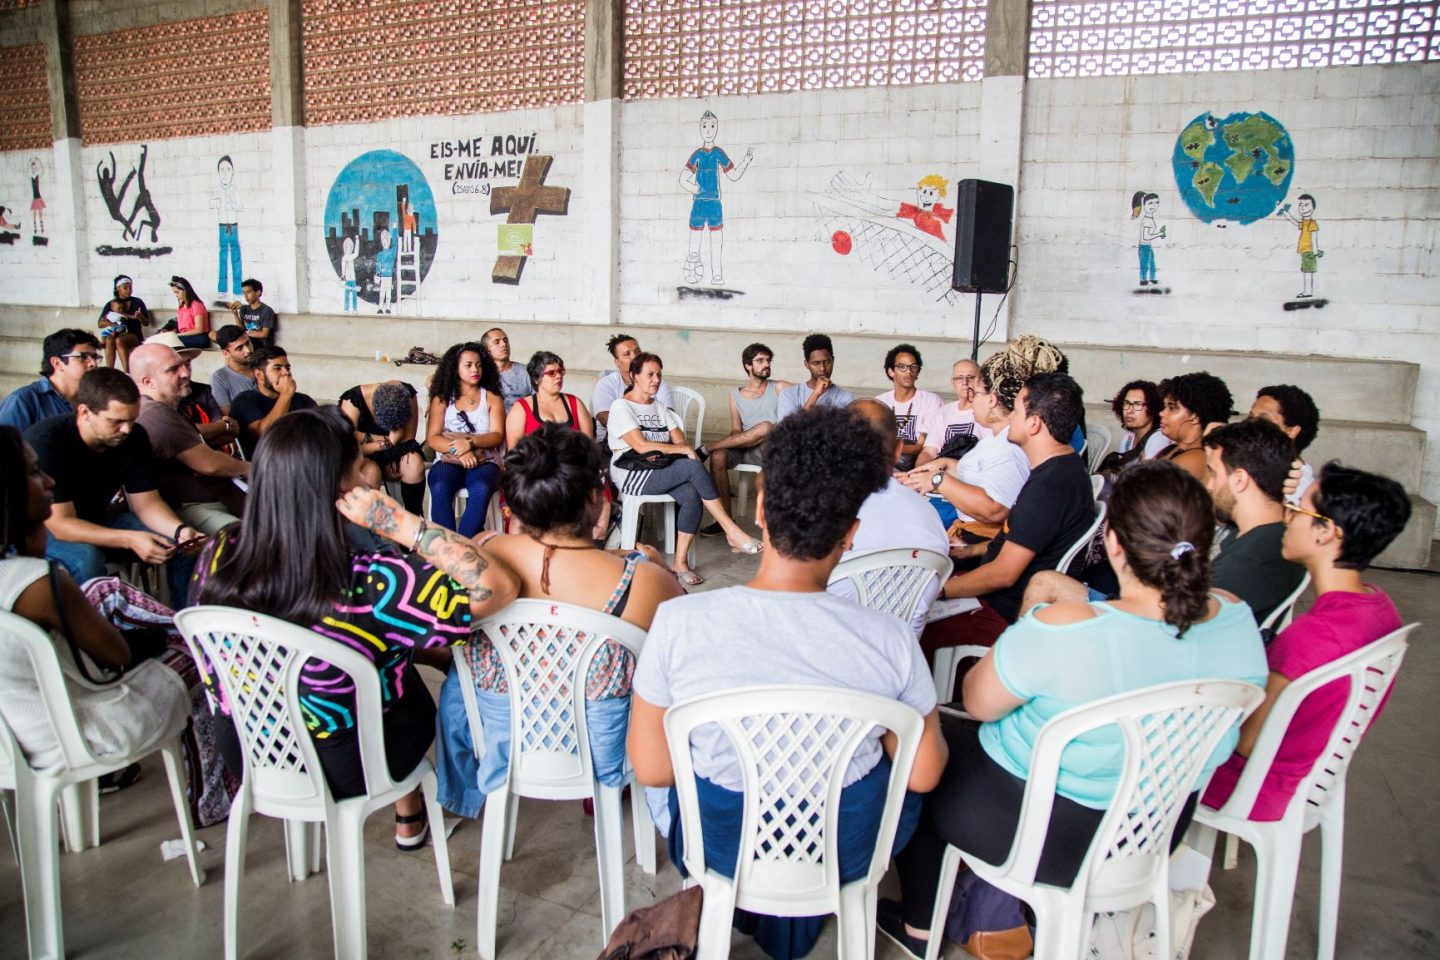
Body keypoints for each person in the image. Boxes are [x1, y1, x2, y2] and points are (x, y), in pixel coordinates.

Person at [881, 460, 1268, 958]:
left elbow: (978, 701)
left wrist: (1029, 627)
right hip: (1156, 828)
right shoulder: (1237, 619)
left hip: (1043, 834)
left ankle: (921, 928)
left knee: (925, 749)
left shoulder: (1065, 628)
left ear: (1113, 544)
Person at [627, 405, 949, 960]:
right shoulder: (892, 639)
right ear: (851, 534)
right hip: (845, 851)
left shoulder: (680, 622)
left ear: (759, 510)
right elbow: (924, 774)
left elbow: (653, 769)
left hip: (721, 845)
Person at [195, 408, 519, 847]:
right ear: (345, 485)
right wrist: (403, 524)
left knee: (379, 649)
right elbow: (498, 587)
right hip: (345, 762)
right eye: (361, 462)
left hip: (250, 748)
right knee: (399, 664)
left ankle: (406, 809)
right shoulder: (373, 581)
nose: (369, 470)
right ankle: (408, 810)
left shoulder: (218, 552)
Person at [433, 423, 685, 818]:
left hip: (502, 743)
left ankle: (463, 796)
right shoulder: (644, 581)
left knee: (459, 671)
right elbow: (685, 648)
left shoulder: (482, 553)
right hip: (603, 754)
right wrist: (650, 564)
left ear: (516, 501)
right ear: (594, 498)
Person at [0, 426, 216, 813]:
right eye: (34, 473)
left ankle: (186, 625)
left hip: (12, 738)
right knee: (201, 654)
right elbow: (116, 655)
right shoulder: (39, 583)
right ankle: (212, 796)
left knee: (104, 588)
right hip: (81, 732)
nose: (49, 481)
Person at [1202, 463, 1410, 821]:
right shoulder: (1378, 607)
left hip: (1248, 787)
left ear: (1325, 532)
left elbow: (1246, 742)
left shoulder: (1311, 637)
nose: (1287, 518)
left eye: (1297, 510)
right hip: (1307, 779)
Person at [929, 372, 1096, 657]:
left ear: (1034, 423)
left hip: (1001, 610)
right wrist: (971, 550)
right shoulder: (1059, 468)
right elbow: (1020, 539)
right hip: (997, 595)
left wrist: (941, 590)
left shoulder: (1050, 485)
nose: (1010, 418)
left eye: (1016, 411)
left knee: (907, 623)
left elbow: (1003, 574)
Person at [25, 368, 204, 603]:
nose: (126, 429)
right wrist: (129, 538)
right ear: (85, 412)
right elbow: (61, 525)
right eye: (116, 421)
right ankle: (97, 625)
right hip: (39, 529)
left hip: (95, 518)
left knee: (181, 546)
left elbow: (147, 503)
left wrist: (179, 531)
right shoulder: (47, 441)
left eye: (132, 420)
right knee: (86, 558)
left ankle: (185, 620)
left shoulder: (134, 436)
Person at [608, 352, 760, 585]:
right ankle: (731, 530)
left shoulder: (659, 407)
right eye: (650, 374)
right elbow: (641, 446)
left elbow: (680, 442)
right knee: (692, 467)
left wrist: (676, 449)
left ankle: (680, 563)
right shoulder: (621, 406)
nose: (656, 380)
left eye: (659, 375)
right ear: (634, 376)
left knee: (690, 494)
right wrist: (677, 450)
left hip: (659, 469)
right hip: (632, 475)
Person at [831, 399, 950, 636]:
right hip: (901, 648)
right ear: (898, 450)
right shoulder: (929, 513)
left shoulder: (819, 509)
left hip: (827, 646)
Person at [898, 347, 1031, 538]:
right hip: (967, 531)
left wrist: (938, 480)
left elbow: (995, 510)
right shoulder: (995, 440)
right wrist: (947, 465)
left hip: (980, 535)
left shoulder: (1007, 446)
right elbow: (980, 473)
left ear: (991, 400)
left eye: (975, 394)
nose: (971, 399)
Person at [131, 342, 249, 536]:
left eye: (185, 365)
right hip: (188, 507)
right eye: (173, 369)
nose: (185, 373)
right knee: (250, 538)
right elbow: (210, 464)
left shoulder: (164, 408)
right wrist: (252, 468)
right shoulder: (156, 413)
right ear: (148, 381)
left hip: (209, 498)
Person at [1202, 419, 1307, 624]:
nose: (1209, 485)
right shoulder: (1277, 534)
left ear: (1240, 480)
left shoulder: (1245, 564)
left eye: (1213, 474)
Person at [695, 342, 789, 527]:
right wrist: (743, 438)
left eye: (768, 360)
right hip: (744, 446)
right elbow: (736, 429)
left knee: (766, 427)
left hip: (769, 448)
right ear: (748, 365)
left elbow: (806, 391)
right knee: (718, 457)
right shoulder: (735, 395)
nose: (766, 364)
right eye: (760, 360)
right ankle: (725, 523)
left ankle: (706, 448)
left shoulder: (778, 387)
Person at [426, 341, 505, 537]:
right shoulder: (442, 398)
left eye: (478, 365)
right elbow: (433, 438)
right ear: (455, 368)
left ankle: (465, 544)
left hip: (485, 460)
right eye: (468, 365)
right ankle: (446, 547)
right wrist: (459, 451)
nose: (475, 370)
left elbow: (497, 435)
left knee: (481, 488)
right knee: (440, 485)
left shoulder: (492, 397)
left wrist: (469, 444)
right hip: (450, 459)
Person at [338, 380, 425, 515]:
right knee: (372, 471)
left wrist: (362, 436)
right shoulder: (352, 401)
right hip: (363, 455)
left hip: (397, 451)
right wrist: (388, 441)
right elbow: (348, 448)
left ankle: (413, 516)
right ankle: (368, 521)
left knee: (414, 462)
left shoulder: (407, 394)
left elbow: (407, 439)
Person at [0, 329, 101, 432]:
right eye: (83, 357)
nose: (93, 363)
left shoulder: (95, 399)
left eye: (95, 357)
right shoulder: (23, 400)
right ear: (57, 363)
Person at [229, 344, 317, 457]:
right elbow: (265, 433)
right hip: (265, 464)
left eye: (287, 368)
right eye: (277, 368)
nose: (286, 373)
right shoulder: (244, 400)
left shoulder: (304, 400)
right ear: (259, 375)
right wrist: (286, 394)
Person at [591, 333, 675, 443]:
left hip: (656, 439)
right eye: (627, 354)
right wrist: (636, 432)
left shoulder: (656, 381)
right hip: (615, 442)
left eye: (637, 351)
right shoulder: (606, 383)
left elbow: (670, 414)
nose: (635, 356)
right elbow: (603, 417)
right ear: (617, 362)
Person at [1155, 371, 1234, 482]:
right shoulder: (1174, 449)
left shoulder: (1195, 460)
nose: (1162, 413)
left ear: (1195, 416)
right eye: (1165, 407)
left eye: (1172, 408)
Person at [876, 344, 944, 470]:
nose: (908, 371)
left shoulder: (931, 401)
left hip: (917, 467)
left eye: (913, 367)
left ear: (917, 372)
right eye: (902, 367)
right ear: (891, 372)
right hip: (883, 467)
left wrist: (892, 448)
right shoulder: (880, 402)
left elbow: (924, 446)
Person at [1250, 384, 1320, 504]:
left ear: (1291, 431)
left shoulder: (1299, 489)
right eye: (1251, 417)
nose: (1250, 426)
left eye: (1263, 420)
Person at [915, 358, 990, 468]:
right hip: (940, 472)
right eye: (960, 378)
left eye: (970, 377)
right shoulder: (942, 412)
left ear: (980, 381)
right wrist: (920, 470)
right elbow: (929, 452)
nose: (965, 383)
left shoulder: (986, 411)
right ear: (953, 383)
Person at [777, 333, 855, 419]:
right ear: (807, 364)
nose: (822, 368)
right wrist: (816, 394)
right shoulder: (789, 395)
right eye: (816, 363)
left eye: (827, 362)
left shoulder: (845, 397)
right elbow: (788, 427)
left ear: (833, 360)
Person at [96, 275, 151, 370]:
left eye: (130, 287)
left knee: (119, 340)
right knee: (109, 338)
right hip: (117, 333)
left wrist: (140, 316)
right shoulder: (111, 304)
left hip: (134, 335)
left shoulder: (137, 302)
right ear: (118, 289)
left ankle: (127, 372)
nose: (129, 290)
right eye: (125, 288)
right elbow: (100, 324)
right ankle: (110, 370)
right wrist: (110, 322)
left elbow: (146, 323)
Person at [1111, 379, 1168, 461]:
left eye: (1138, 404)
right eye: (1126, 403)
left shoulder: (1159, 438)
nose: (1129, 410)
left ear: (1153, 408)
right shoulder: (1129, 436)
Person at [483, 327, 533, 412]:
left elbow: (541, 402)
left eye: (505, 340)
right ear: (486, 349)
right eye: (497, 342)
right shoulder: (481, 375)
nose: (504, 344)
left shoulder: (527, 372)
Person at [209, 325, 256, 414]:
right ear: (226, 353)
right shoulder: (220, 378)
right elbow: (227, 416)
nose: (248, 350)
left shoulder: (263, 366)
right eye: (239, 348)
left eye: (248, 343)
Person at [226, 278, 277, 347]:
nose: (245, 296)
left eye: (248, 292)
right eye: (244, 293)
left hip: (261, 344)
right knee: (223, 334)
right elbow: (241, 329)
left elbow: (264, 334)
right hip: (246, 340)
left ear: (258, 292)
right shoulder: (244, 309)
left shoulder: (267, 310)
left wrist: (244, 334)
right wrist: (235, 314)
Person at [168, 276, 211, 351]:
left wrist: (177, 335)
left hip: (199, 338)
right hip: (185, 336)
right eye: (175, 293)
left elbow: (199, 330)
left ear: (185, 290)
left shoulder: (196, 305)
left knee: (170, 342)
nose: (176, 295)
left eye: (177, 292)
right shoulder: (181, 307)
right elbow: (182, 328)